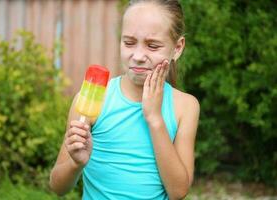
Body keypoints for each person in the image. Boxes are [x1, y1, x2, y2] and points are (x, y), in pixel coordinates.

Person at [49, 0, 200, 199]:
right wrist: (75, 164)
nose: (137, 56)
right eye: (129, 43)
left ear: (177, 48)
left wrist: (155, 119)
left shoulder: (185, 107)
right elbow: (58, 187)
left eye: (152, 46)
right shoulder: (96, 100)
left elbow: (178, 191)